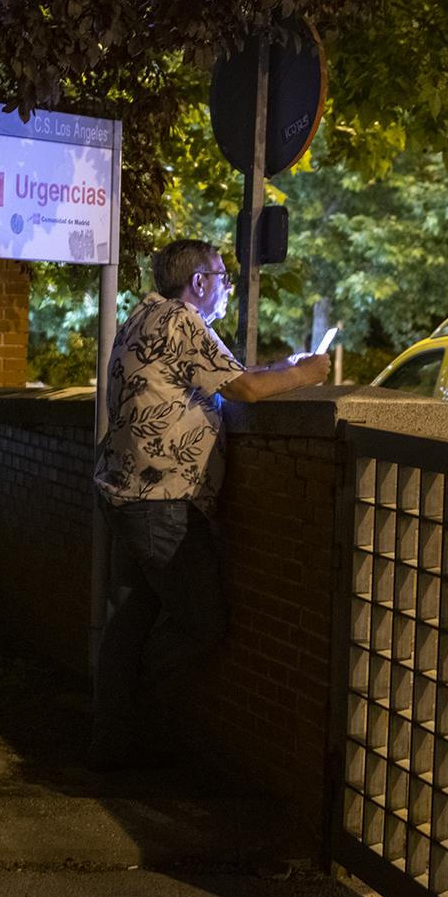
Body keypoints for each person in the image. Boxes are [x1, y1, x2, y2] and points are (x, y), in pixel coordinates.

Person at [88, 238, 330, 769]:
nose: (224, 285)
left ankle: (113, 741)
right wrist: (307, 373)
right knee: (201, 622)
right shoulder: (182, 320)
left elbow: (222, 378)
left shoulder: (145, 316)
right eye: (221, 275)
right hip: (161, 500)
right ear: (198, 281)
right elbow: (244, 391)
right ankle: (147, 732)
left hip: (125, 489)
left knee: (130, 618)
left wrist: (280, 367)